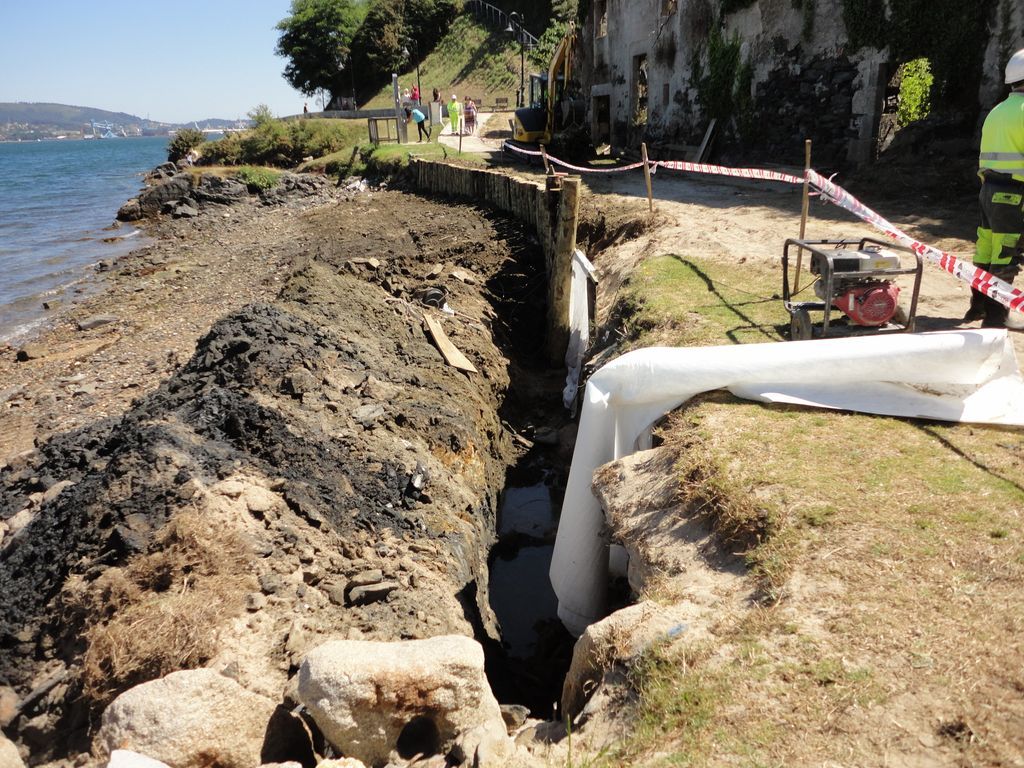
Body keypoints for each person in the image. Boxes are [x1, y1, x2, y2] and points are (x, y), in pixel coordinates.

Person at [964, 48, 1024, 328]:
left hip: (988, 191)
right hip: (1013, 194)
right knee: (1006, 253)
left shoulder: (997, 111)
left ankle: (977, 306)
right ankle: (996, 317)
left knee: (986, 249)